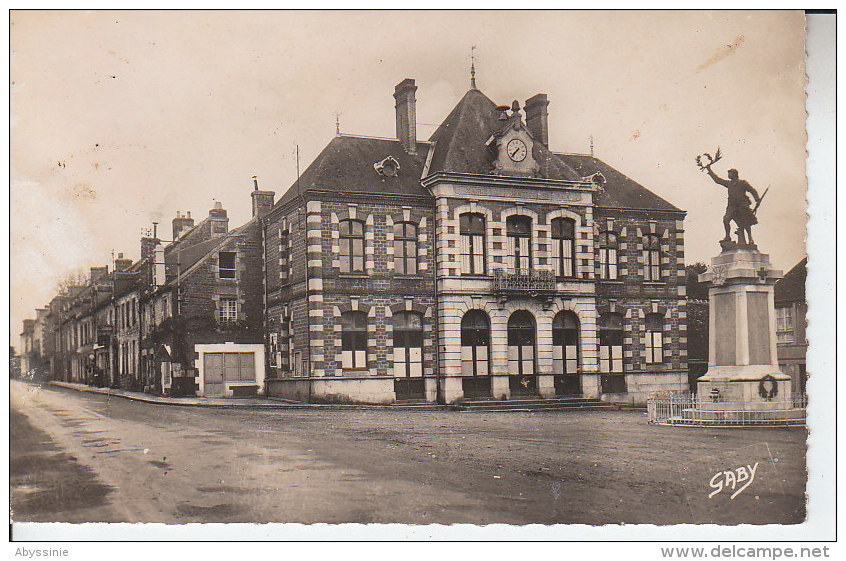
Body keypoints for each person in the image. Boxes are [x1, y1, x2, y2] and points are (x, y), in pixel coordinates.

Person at [705, 167, 761, 245]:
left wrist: (757, 199)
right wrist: (709, 170)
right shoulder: (729, 184)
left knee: (746, 222)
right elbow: (718, 180)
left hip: (742, 205)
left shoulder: (742, 183)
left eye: (730, 173)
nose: (728, 175)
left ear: (734, 174)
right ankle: (727, 236)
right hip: (732, 206)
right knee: (726, 220)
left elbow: (752, 190)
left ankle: (750, 238)